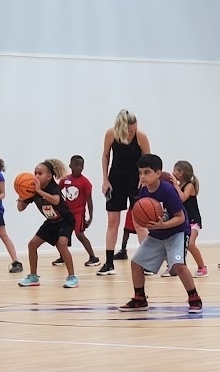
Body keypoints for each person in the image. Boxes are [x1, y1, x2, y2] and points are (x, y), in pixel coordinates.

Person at [118, 154, 202, 314]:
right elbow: (142, 214)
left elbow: (180, 217)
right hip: (158, 233)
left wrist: (163, 224)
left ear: (158, 173)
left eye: (147, 172)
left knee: (178, 266)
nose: (143, 176)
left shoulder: (168, 190)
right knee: (136, 263)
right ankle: (140, 299)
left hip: (177, 232)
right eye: (140, 172)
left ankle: (194, 298)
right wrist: (144, 223)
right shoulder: (143, 191)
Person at [99, 109, 150, 276]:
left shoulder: (140, 136)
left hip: (135, 181)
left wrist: (144, 181)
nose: (132, 132)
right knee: (112, 222)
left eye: (134, 129)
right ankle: (108, 263)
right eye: (130, 130)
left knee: (140, 223)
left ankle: (147, 263)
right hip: (115, 180)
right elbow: (105, 156)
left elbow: (148, 160)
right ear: (121, 127)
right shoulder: (111, 134)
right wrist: (105, 180)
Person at [16, 159, 77, 288]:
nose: (36, 176)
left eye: (40, 173)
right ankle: (33, 277)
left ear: (49, 176)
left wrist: (40, 191)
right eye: (35, 173)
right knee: (32, 245)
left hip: (65, 220)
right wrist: (21, 194)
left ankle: (72, 277)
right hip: (51, 222)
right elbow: (20, 208)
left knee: (61, 244)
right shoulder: (33, 189)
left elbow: (55, 200)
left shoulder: (52, 187)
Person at [55, 154, 99, 267]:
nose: (78, 167)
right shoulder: (65, 180)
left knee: (79, 234)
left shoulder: (85, 182)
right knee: (60, 234)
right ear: (70, 165)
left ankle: (93, 257)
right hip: (66, 213)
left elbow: (89, 200)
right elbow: (57, 192)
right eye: (76, 164)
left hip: (78, 213)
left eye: (81, 165)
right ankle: (63, 256)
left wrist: (91, 217)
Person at [172, 160, 207, 276]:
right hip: (183, 221)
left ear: (181, 173)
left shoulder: (189, 185)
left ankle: (202, 267)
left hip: (193, 221)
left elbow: (182, 198)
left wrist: (175, 186)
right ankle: (173, 267)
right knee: (174, 244)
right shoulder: (178, 186)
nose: (172, 172)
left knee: (191, 244)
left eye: (175, 170)